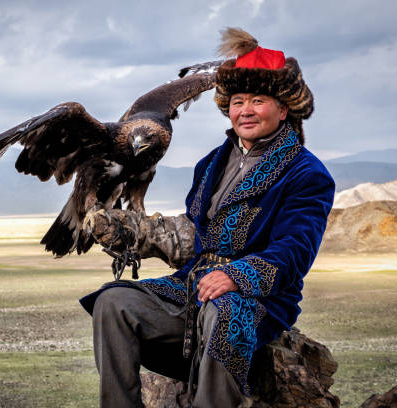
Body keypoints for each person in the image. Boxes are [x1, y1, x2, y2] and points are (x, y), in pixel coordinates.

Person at [79, 28, 335, 408]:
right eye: (237, 101)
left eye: (258, 100)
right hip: (194, 285)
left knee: (223, 312)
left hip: (259, 298)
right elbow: (196, 233)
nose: (245, 110)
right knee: (114, 302)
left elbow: (295, 251)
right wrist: (135, 233)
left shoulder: (306, 173)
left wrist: (236, 275)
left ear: (283, 109)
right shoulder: (211, 163)